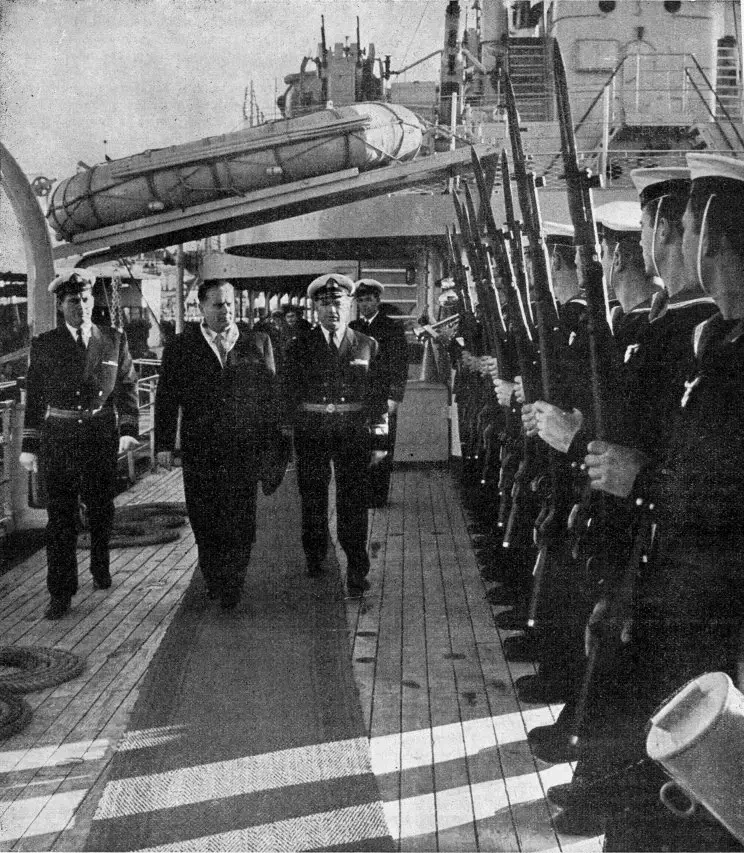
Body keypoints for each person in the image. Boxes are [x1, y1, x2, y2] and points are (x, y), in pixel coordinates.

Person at [19, 268, 139, 620]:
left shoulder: (114, 339)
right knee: (61, 518)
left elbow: (127, 385)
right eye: (74, 301)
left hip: (100, 436)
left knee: (102, 509)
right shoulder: (45, 344)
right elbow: (35, 397)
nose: (82, 306)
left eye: (86, 299)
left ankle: (100, 565)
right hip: (60, 438)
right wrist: (29, 445)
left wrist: (128, 428)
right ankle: (61, 592)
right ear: (61, 305)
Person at [154, 280, 279, 610]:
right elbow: (166, 399)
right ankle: (213, 576)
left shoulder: (257, 342)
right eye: (218, 305)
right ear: (201, 308)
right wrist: (163, 444)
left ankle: (233, 581)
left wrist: (273, 446)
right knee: (204, 518)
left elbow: (271, 398)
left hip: (243, 449)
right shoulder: (181, 347)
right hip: (201, 450)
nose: (226, 310)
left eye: (229, 304)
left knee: (241, 518)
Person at [281, 273, 387, 596]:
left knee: (353, 501)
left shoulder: (367, 345)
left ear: (349, 304)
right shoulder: (299, 347)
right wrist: (287, 435)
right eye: (325, 304)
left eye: (338, 303)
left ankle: (356, 567)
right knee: (313, 498)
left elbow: (378, 396)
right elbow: (288, 393)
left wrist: (379, 440)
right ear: (315, 308)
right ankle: (315, 555)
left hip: (352, 433)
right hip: (312, 432)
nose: (333, 310)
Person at [349, 278, 408, 505]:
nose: (364, 304)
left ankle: (378, 495)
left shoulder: (391, 328)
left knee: (381, 444)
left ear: (377, 301)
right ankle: (361, 493)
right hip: (358, 397)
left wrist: (394, 396)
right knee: (358, 444)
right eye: (361, 301)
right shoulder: (353, 328)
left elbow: (400, 364)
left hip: (382, 397)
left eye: (368, 300)